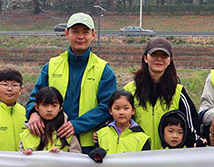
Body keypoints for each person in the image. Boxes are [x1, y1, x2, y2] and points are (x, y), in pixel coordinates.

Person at [25, 12, 117, 152]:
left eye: (85, 32)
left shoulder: (104, 70)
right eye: (75, 31)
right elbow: (34, 99)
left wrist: (77, 125)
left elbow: (107, 107)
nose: (80, 36)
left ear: (93, 34)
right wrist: (33, 113)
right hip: (53, 144)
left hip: (89, 146)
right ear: (67, 33)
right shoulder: (51, 66)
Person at [124, 37, 201, 149]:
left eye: (164, 56)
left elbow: (192, 127)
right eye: (154, 54)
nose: (159, 59)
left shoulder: (178, 92)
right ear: (145, 58)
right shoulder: (129, 90)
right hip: (138, 157)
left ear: (170, 60)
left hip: (169, 160)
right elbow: (118, 122)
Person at [19, 87, 81, 154]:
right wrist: (26, 154)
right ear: (36, 107)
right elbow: (20, 160)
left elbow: (77, 158)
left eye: (54, 105)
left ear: (60, 107)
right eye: (44, 105)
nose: (49, 109)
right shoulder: (27, 134)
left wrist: (61, 155)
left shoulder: (67, 133)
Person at [92, 90, 151, 155]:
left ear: (133, 111)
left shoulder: (142, 138)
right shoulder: (101, 134)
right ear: (110, 111)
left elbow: (144, 163)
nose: (121, 112)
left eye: (126, 108)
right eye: (117, 108)